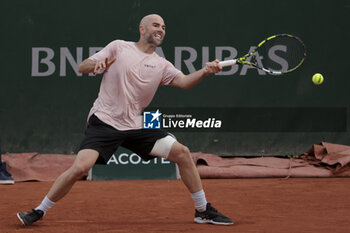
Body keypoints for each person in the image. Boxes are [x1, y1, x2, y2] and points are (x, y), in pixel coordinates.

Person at [17, 14, 233, 226]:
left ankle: (202, 210)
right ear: (142, 29)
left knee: (183, 153)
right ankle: (39, 211)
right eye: (156, 25)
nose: (161, 30)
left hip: (137, 123)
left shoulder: (161, 64)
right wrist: (96, 65)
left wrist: (205, 71)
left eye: (164, 27)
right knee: (80, 168)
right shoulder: (119, 47)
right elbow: (82, 66)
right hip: (105, 120)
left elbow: (185, 82)